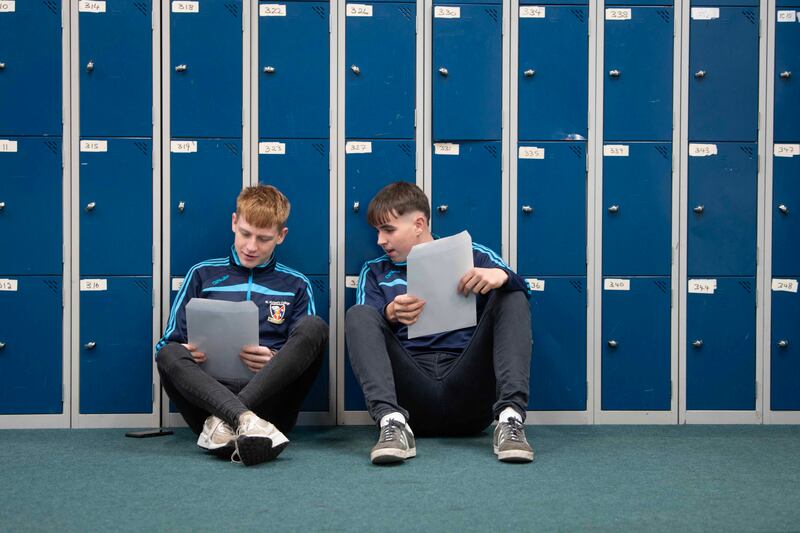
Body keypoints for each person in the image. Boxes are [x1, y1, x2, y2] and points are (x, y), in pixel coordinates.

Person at [346, 181, 534, 464]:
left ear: (419, 224)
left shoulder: (474, 255)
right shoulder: (374, 272)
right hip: (411, 398)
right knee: (358, 314)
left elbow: (524, 291)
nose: (380, 241)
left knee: (512, 294)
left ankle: (510, 420)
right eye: (378, 232)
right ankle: (391, 423)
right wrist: (389, 313)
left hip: (467, 390)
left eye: (388, 230)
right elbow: (364, 328)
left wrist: (502, 278)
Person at [156, 185, 328, 466]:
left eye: (263, 239)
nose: (251, 246)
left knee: (315, 326)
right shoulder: (201, 275)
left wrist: (274, 359)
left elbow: (303, 351)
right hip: (207, 398)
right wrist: (185, 350)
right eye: (245, 234)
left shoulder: (296, 284)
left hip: (271, 402)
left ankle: (229, 428)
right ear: (234, 222)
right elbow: (167, 344)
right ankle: (245, 423)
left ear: (281, 237)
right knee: (167, 353)